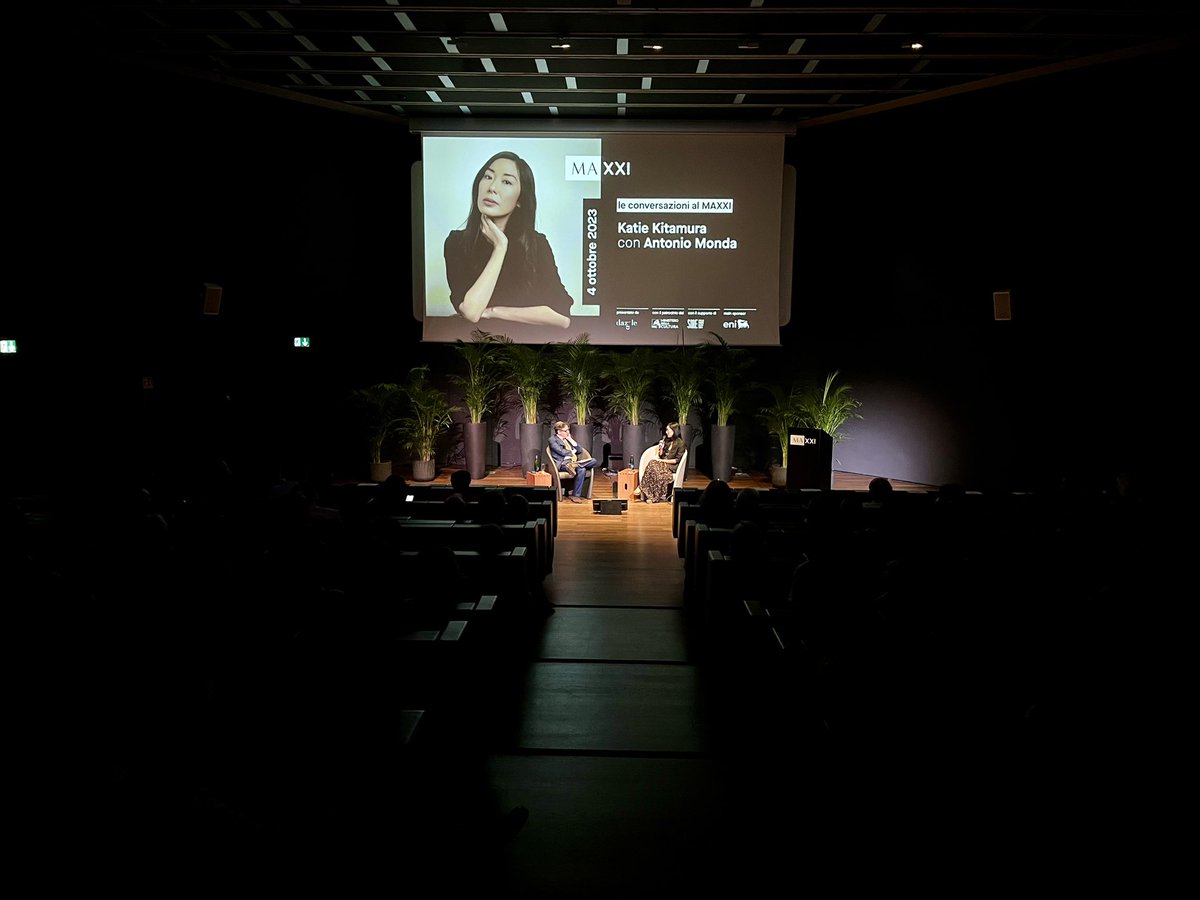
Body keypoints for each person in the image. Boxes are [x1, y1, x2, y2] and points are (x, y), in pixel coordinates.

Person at [444, 150, 572, 330]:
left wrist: (493, 312)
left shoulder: (536, 244)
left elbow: (563, 317)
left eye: (506, 181)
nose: (492, 187)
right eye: (488, 177)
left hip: (527, 350)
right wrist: (500, 247)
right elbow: (472, 312)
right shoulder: (457, 242)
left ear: (520, 199)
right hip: (476, 348)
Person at [548, 420, 597, 503]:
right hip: (563, 463)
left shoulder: (567, 439)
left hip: (573, 463)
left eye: (568, 430)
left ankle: (575, 494)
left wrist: (570, 439)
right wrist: (572, 452)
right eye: (565, 431)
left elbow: (580, 450)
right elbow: (561, 451)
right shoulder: (553, 440)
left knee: (593, 461)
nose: (568, 432)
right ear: (559, 431)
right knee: (582, 469)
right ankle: (577, 466)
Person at [640, 422, 686, 504]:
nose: (666, 432)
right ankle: (651, 496)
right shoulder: (668, 441)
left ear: (674, 431)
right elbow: (661, 455)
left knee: (653, 465)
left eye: (668, 430)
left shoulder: (680, 443)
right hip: (663, 464)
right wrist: (661, 448)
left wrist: (662, 461)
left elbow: (676, 460)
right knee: (653, 466)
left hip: (671, 466)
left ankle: (644, 489)